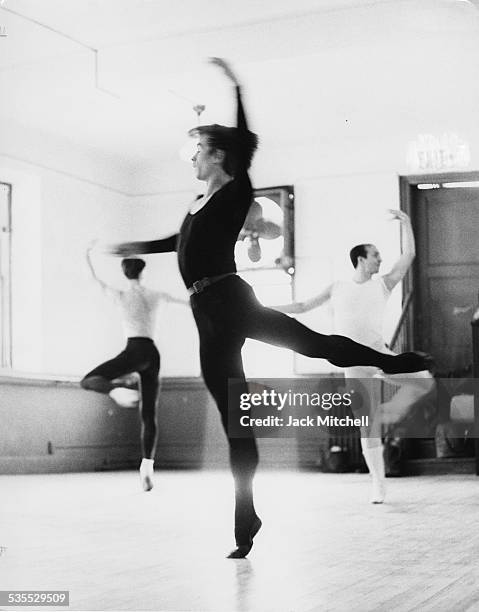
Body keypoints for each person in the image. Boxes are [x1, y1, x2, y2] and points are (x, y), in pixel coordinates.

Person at [107, 58, 431, 556]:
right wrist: (132, 247)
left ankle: (394, 362)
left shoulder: (236, 193)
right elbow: (176, 241)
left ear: (218, 157)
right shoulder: (195, 205)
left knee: (315, 344)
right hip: (206, 316)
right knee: (236, 419)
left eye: (199, 151)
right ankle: (247, 519)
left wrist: (234, 85)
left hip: (231, 299)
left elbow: (245, 138)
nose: (193, 158)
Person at [274, 210, 434, 503]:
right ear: (361, 258)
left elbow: (408, 256)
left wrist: (408, 222)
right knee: (367, 426)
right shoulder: (338, 287)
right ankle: (378, 485)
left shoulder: (382, 284)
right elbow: (301, 306)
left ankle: (392, 413)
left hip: (381, 357)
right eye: (375, 255)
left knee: (425, 383)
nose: (380, 260)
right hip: (354, 365)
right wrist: (268, 309)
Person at [81, 244, 186, 492]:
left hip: (134, 350)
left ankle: (115, 389)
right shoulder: (157, 295)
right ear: (143, 274)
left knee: (88, 380)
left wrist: (86, 254)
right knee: (148, 415)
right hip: (152, 353)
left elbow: (93, 280)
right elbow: (190, 303)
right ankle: (147, 467)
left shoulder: (120, 295)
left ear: (125, 275)